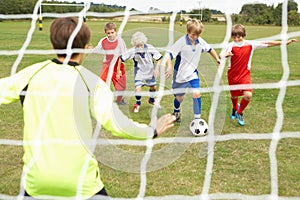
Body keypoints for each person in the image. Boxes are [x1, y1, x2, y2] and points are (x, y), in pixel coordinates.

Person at [0, 17, 176, 199]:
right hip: (82, 185)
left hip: (36, 184)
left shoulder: (31, 75)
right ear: (85, 47)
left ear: (53, 46)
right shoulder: (91, 83)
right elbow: (117, 124)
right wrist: (151, 130)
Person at [220, 24, 297, 126]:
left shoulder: (250, 44)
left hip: (245, 75)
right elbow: (221, 55)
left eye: (239, 37)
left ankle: (239, 112)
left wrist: (285, 42)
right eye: (234, 37)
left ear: (243, 35)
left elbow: (268, 43)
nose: (236, 39)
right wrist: (225, 55)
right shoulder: (230, 46)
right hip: (232, 75)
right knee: (234, 96)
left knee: (248, 95)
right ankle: (234, 109)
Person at [165, 19, 220, 123]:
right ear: (188, 32)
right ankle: (176, 112)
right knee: (179, 98)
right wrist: (169, 66)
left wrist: (217, 58)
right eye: (193, 34)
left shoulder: (200, 41)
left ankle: (197, 120)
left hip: (193, 74)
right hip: (180, 76)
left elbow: (210, 49)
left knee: (196, 93)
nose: (196, 37)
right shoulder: (181, 42)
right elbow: (168, 54)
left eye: (198, 35)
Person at [120, 31, 163, 113]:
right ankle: (137, 104)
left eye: (141, 45)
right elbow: (121, 58)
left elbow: (159, 58)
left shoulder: (150, 48)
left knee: (153, 87)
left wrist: (156, 69)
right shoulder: (132, 51)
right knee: (138, 88)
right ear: (135, 45)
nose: (140, 48)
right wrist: (118, 70)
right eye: (138, 46)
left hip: (150, 71)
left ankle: (151, 100)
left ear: (144, 42)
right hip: (139, 72)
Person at [95, 22, 127, 105]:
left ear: (115, 32)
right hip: (107, 64)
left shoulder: (120, 41)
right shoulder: (103, 41)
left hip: (118, 64)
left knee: (121, 85)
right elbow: (97, 50)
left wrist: (119, 69)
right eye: (108, 33)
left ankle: (119, 100)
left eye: (112, 32)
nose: (110, 35)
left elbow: (124, 55)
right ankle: (102, 100)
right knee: (104, 83)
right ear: (105, 33)